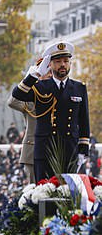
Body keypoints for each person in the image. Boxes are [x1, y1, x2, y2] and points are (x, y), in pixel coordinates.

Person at [11, 41, 89, 181]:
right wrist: (35, 74)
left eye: (66, 61)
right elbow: (17, 95)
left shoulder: (79, 88)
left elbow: (84, 121)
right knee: (44, 193)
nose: (63, 65)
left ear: (70, 63)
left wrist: (83, 150)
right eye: (58, 61)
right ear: (50, 65)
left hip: (69, 149)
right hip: (45, 148)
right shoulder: (40, 86)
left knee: (67, 194)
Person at [7, 58, 52, 184]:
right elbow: (12, 102)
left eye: (51, 71)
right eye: (46, 71)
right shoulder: (30, 97)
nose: (49, 74)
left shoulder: (59, 94)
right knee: (34, 192)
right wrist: (30, 78)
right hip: (33, 149)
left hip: (55, 149)